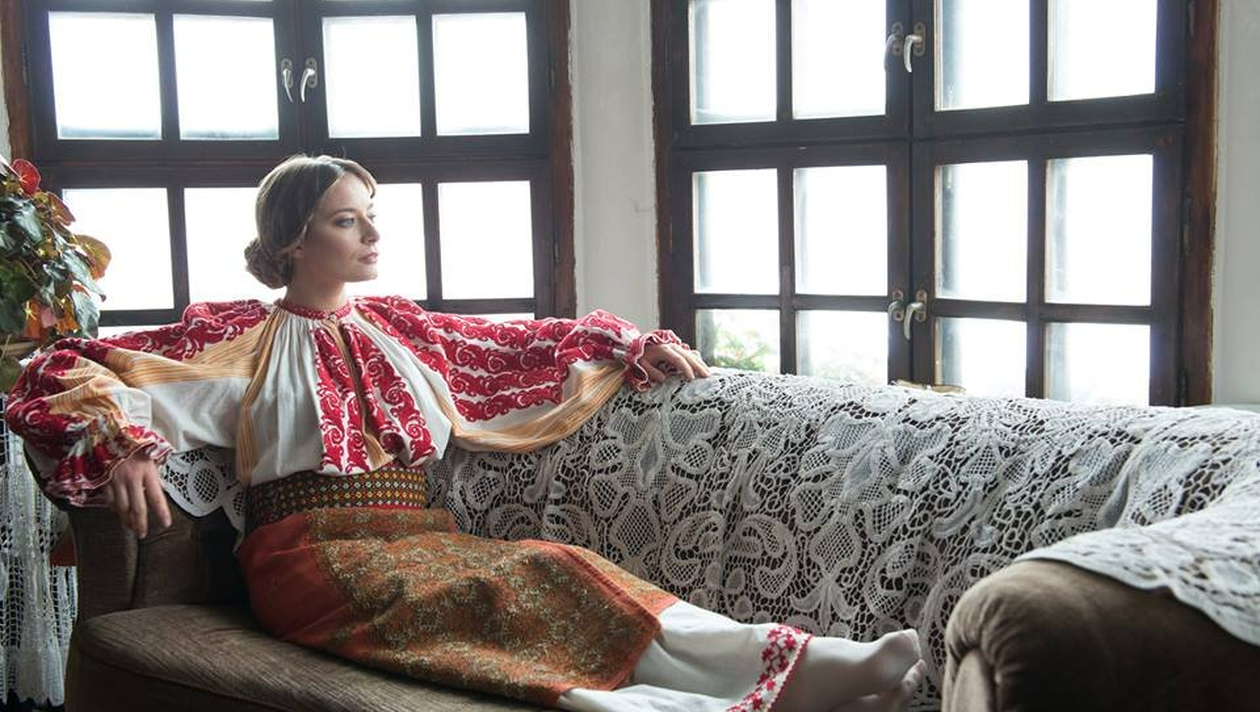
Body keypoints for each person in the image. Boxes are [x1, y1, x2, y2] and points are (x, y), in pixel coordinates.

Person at [5, 155, 925, 712]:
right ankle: (767, 686)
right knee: (500, 598)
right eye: (345, 220)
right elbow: (66, 365)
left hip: (420, 537)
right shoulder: (233, 337)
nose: (370, 235)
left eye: (372, 217)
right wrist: (118, 444)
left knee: (556, 567)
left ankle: (786, 660)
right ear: (291, 241)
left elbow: (518, 344)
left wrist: (629, 345)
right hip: (309, 557)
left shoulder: (400, 329)